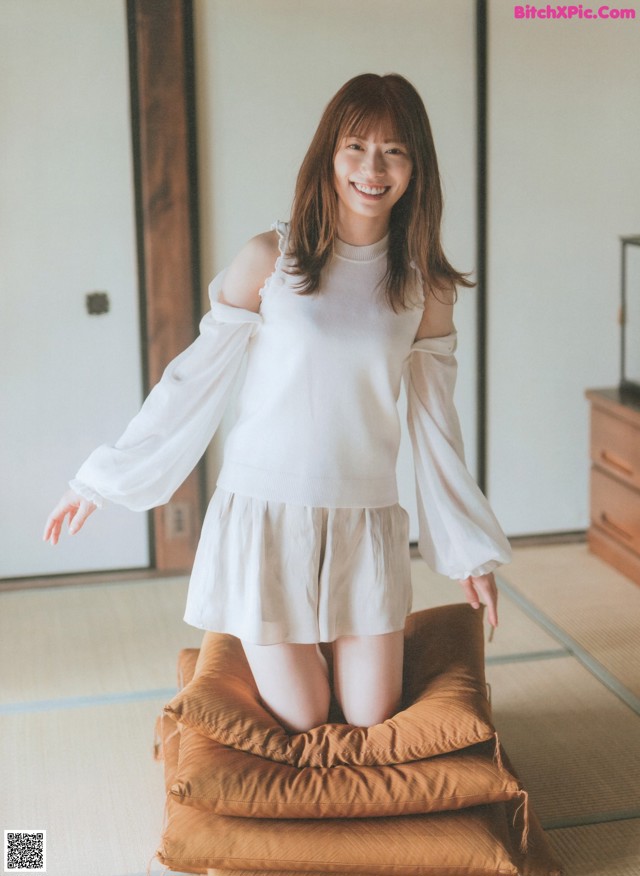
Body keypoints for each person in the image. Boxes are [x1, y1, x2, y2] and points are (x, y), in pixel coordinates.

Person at [44, 73, 511, 734]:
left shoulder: (423, 286)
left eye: (395, 151)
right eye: (356, 147)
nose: (373, 168)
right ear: (329, 155)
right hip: (265, 516)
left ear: (416, 168)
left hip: (364, 521)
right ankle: (259, 637)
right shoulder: (272, 257)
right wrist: (101, 480)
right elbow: (191, 381)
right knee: (306, 714)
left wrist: (471, 555)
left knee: (372, 713)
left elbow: (437, 428)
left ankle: (290, 640)